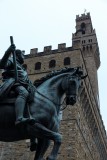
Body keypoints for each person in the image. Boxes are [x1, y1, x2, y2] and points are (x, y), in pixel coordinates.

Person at [0, 44, 35, 126]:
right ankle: (19, 118)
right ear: (18, 55)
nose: (24, 57)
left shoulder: (21, 67)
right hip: (13, 84)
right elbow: (2, 65)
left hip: (22, 84)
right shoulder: (12, 60)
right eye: (23, 55)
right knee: (24, 93)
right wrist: (8, 51)